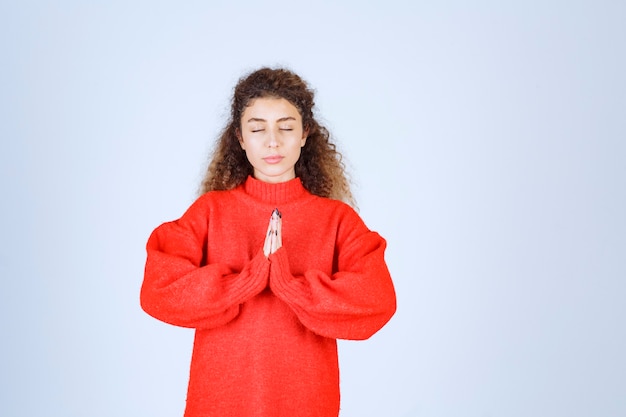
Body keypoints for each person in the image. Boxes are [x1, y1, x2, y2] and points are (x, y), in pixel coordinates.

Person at [140, 67, 397, 417]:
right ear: (240, 138)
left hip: (306, 402)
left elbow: (377, 299)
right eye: (257, 128)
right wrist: (245, 282)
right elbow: (158, 288)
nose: (272, 141)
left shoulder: (337, 220)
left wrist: (291, 286)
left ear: (305, 134)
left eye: (286, 127)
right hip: (219, 401)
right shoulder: (210, 211)